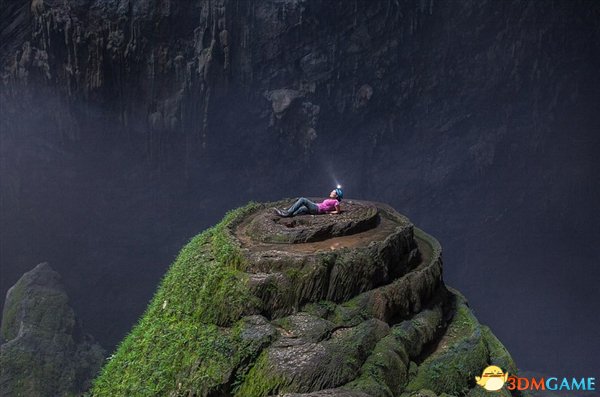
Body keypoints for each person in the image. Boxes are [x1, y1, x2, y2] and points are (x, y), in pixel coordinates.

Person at [275, 188, 343, 217]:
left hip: (317, 209)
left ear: (336, 195)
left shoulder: (336, 202)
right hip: (316, 206)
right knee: (301, 209)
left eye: (333, 192)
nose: (331, 192)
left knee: (303, 200)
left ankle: (287, 213)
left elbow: (338, 211)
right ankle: (287, 212)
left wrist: (329, 212)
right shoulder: (332, 200)